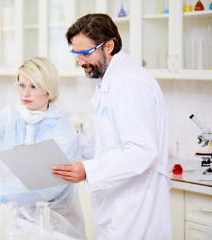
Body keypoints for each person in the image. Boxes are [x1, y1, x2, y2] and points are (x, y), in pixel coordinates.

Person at [51, 13, 173, 240]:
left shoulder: (129, 82)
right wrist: (73, 139)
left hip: (135, 214)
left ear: (109, 46)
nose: (81, 62)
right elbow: (112, 146)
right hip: (118, 210)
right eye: (76, 54)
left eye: (86, 53)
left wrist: (88, 170)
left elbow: (141, 151)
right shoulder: (109, 79)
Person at [0, 56, 86, 239]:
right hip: (13, 220)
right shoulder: (11, 118)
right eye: (21, 85)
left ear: (48, 89)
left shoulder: (63, 130)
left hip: (52, 225)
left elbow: (50, 184)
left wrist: (2, 194)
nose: (25, 93)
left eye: (33, 86)